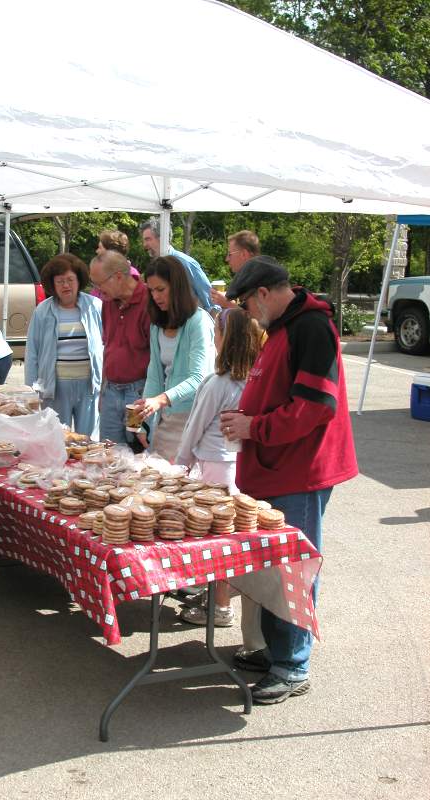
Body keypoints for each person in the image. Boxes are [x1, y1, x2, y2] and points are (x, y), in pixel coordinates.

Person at [221, 255, 358, 704]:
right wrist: (248, 418)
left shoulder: (311, 328)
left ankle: (293, 666)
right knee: (273, 568)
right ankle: (276, 652)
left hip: (302, 471)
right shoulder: (283, 328)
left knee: (293, 569)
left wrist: (252, 427)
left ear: (263, 293)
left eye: (246, 303)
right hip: (278, 468)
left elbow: (316, 407)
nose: (247, 313)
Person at [175, 307, 267, 638]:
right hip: (236, 466)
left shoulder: (216, 383)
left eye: (217, 332)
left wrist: (180, 463)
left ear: (225, 340)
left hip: (213, 467)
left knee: (214, 539)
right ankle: (215, 595)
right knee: (227, 537)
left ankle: (220, 606)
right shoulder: (254, 383)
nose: (213, 338)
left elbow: (194, 427)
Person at [134, 255, 215, 461]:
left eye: (160, 289)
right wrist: (142, 421)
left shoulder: (198, 322)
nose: (155, 296)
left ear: (177, 287)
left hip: (195, 418)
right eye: (151, 291)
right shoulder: (156, 325)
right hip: (166, 418)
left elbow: (199, 378)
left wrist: (160, 400)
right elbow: (154, 374)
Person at [25, 253, 103, 438]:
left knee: (89, 440)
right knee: (56, 439)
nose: (66, 285)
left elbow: (107, 344)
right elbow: (32, 352)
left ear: (79, 280)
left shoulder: (95, 306)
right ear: (52, 284)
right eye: (60, 281)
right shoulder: (43, 311)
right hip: (55, 387)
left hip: (89, 386)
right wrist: (30, 390)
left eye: (70, 279)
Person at [89, 250, 150, 446]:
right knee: (109, 454)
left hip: (137, 393)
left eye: (100, 284)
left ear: (117, 277)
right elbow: (109, 346)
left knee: (137, 451)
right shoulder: (108, 302)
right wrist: (102, 392)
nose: (97, 291)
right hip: (111, 391)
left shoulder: (148, 301)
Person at [140, 217, 214, 312]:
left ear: (162, 238)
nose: (144, 245)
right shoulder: (154, 267)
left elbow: (210, 300)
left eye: (148, 239)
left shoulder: (185, 263)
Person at [210, 230, 261, 309]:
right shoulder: (245, 278)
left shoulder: (259, 281)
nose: (227, 259)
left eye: (230, 254)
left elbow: (256, 319)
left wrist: (227, 303)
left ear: (244, 254)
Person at [91, 230, 140, 300]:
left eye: (100, 247)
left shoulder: (130, 274)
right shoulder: (103, 273)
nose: (97, 251)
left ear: (111, 252)